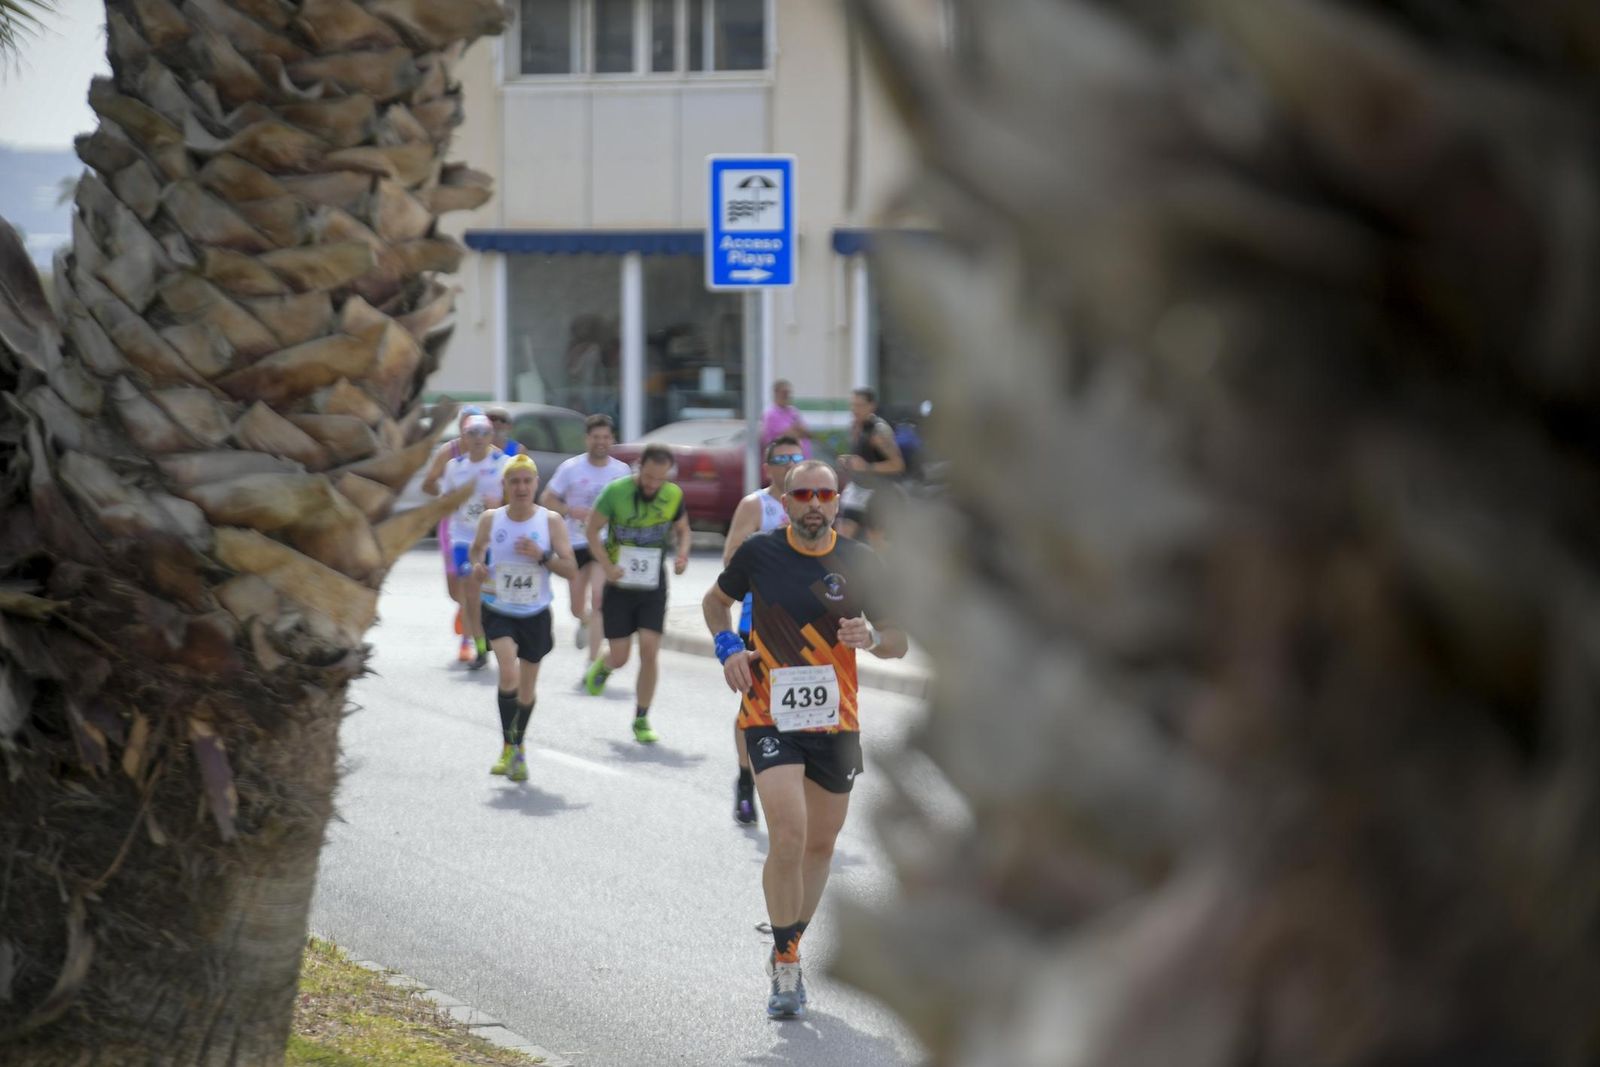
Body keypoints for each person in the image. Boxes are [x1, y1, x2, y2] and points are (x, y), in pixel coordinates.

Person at [702, 458, 908, 1019]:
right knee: (788, 836)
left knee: (820, 845)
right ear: (786, 501)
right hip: (770, 714)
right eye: (803, 495)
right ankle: (789, 961)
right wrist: (728, 649)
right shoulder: (760, 553)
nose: (814, 503)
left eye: (824, 494)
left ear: (838, 502)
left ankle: (784, 942)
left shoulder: (862, 562)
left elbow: (900, 641)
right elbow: (714, 602)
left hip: (836, 722)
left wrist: (872, 635)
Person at [470, 455, 577, 781]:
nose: (520, 487)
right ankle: (508, 745)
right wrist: (477, 565)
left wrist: (542, 556)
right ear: (504, 486)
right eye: (513, 481)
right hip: (498, 607)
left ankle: (517, 746)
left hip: (535, 612)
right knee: (507, 671)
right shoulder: (491, 519)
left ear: (535, 485)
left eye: (526, 481)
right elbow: (476, 550)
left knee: (527, 689)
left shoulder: (551, 521)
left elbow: (571, 568)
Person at [581, 444, 691, 744]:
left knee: (649, 650)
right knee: (621, 656)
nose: (653, 485)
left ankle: (641, 718)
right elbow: (591, 530)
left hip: (653, 583)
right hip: (620, 583)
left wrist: (682, 555)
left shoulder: (673, 495)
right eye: (649, 478)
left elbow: (683, 529)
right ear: (639, 467)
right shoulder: (615, 492)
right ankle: (604, 665)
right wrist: (606, 565)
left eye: (660, 479)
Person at [722, 435, 805, 825]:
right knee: (752, 704)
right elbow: (730, 562)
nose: (790, 464)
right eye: (782, 459)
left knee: (801, 702)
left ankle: (796, 778)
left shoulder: (813, 503)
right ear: (769, 467)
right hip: (758, 621)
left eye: (796, 457)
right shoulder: (756, 505)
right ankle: (744, 781)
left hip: (806, 625)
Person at [539, 414, 632, 671]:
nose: (600, 442)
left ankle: (592, 660)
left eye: (605, 437)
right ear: (586, 439)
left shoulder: (621, 471)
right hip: (576, 541)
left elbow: (629, 507)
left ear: (612, 439)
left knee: (600, 599)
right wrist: (570, 510)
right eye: (595, 437)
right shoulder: (571, 468)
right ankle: (584, 620)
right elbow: (547, 498)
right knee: (577, 605)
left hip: (605, 542)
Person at [432, 414, 507, 668]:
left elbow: (521, 498)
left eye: (484, 433)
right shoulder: (456, 466)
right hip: (463, 537)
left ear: (491, 436)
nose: (478, 439)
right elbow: (444, 500)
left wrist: (500, 503)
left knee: (495, 593)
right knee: (471, 592)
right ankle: (480, 646)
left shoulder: (503, 463)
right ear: (463, 437)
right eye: (472, 433)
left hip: (494, 538)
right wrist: (454, 501)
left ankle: (497, 635)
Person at [421, 404, 485, 643]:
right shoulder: (449, 453)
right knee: (453, 586)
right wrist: (446, 495)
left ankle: (468, 639)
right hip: (453, 524)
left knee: (475, 581)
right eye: (468, 427)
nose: (474, 434)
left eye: (479, 428)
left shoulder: (493, 454)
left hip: (482, 525)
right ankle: (465, 607)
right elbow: (428, 484)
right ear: (461, 428)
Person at [835, 387, 905, 543]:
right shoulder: (855, 426)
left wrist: (867, 467)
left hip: (878, 491)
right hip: (857, 488)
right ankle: (841, 567)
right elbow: (862, 457)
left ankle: (883, 566)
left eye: (859, 405)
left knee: (876, 540)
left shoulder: (879, 431)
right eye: (852, 405)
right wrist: (848, 460)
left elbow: (897, 465)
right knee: (842, 537)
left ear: (871, 406)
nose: (854, 410)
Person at [760, 379, 812, 458]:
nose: (787, 396)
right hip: (784, 460)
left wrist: (796, 431)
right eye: (784, 393)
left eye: (789, 393)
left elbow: (807, 432)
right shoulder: (771, 414)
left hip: (802, 458)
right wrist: (794, 431)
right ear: (776, 393)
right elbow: (785, 436)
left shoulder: (793, 411)